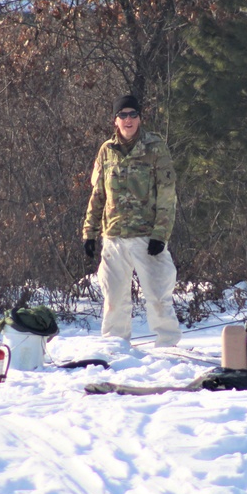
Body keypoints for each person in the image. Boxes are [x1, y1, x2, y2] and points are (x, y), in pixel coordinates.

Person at [83, 95, 181, 348]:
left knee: (159, 295)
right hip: (114, 236)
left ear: (140, 118)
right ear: (115, 120)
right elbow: (98, 194)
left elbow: (167, 194)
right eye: (123, 115)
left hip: (146, 237)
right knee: (114, 299)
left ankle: (168, 347)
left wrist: (161, 234)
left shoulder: (155, 147)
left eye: (133, 115)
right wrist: (90, 233)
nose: (129, 120)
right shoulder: (107, 150)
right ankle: (116, 348)